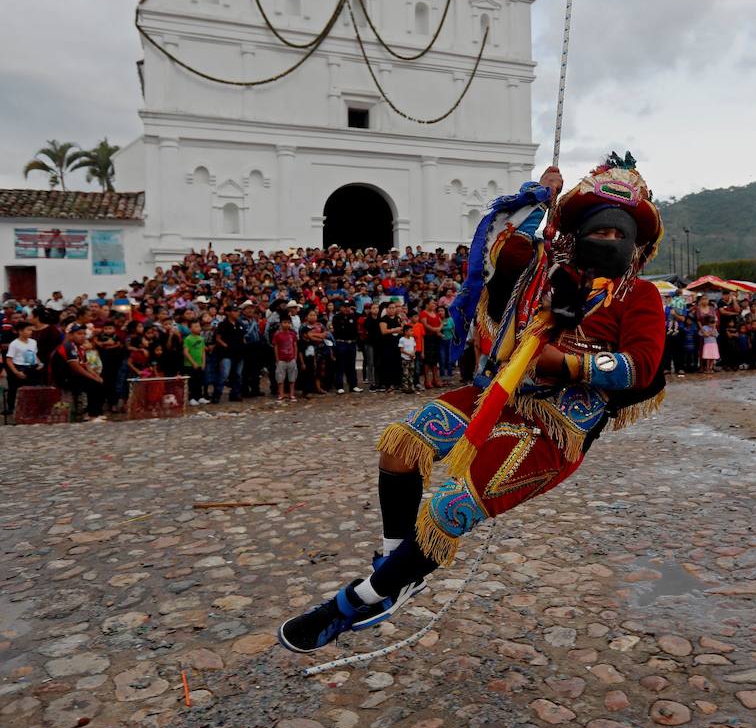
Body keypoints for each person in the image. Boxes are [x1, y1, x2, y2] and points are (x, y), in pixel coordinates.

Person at [276, 156, 669, 654]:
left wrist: (566, 364)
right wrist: (537, 199)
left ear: (634, 245)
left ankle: (362, 598)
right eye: (599, 232)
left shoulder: (642, 298)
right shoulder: (546, 273)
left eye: (619, 236)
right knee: (402, 444)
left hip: (558, 427)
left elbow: (642, 367)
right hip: (501, 392)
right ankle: (399, 567)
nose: (607, 242)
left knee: (448, 509)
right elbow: (500, 256)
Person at [3, 323, 41, 415]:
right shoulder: (14, 344)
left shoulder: (33, 342)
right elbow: (9, 359)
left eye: (31, 330)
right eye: (28, 330)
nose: (30, 332)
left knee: (32, 388)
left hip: (31, 367)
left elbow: (35, 354)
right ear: (20, 331)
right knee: (14, 389)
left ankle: (31, 407)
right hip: (19, 366)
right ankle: (11, 407)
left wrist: (39, 363)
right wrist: (16, 372)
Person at [273, 317, 298, 402]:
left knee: (292, 378)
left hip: (291, 358)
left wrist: (295, 357)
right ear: (281, 324)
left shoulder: (292, 334)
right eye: (284, 322)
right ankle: (281, 394)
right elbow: (276, 346)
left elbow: (295, 345)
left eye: (288, 322)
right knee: (280, 378)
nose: (286, 324)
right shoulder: (277, 334)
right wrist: (277, 359)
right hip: (281, 359)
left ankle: (292, 394)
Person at [398, 326, 418, 393]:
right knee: (405, 373)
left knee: (411, 373)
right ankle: (405, 387)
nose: (412, 332)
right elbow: (401, 350)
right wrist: (409, 354)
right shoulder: (402, 339)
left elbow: (415, 347)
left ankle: (411, 386)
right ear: (406, 332)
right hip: (405, 359)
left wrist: (413, 353)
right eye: (411, 331)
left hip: (412, 358)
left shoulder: (412, 339)